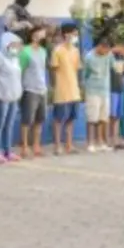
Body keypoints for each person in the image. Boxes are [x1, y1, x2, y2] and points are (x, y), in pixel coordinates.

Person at [0, 32, 23, 163]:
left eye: (18, 45)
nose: (17, 48)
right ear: (6, 44)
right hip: (1, 96)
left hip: (13, 97)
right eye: (14, 45)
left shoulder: (15, 58)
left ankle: (8, 151)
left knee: (9, 125)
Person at [49, 24, 83, 154]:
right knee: (58, 119)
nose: (75, 36)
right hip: (61, 91)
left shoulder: (76, 51)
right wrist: (54, 87)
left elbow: (77, 69)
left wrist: (79, 86)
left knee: (71, 119)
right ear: (66, 34)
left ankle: (69, 145)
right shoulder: (57, 50)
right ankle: (57, 146)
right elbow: (53, 69)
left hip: (74, 91)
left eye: (76, 34)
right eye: (74, 33)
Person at [18, 26, 49, 158]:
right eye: (40, 33)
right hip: (29, 89)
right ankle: (24, 146)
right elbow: (20, 70)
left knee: (39, 119)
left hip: (42, 89)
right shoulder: (25, 51)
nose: (43, 35)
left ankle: (36, 145)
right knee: (27, 120)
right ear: (33, 35)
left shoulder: (43, 51)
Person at [83, 38, 113, 152]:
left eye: (108, 50)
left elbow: (114, 66)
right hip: (92, 91)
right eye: (105, 50)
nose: (106, 52)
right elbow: (85, 74)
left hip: (105, 91)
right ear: (100, 46)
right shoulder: (89, 57)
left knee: (103, 118)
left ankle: (101, 142)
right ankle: (90, 143)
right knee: (92, 118)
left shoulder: (109, 55)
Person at [107, 41, 124, 148]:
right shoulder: (109, 56)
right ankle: (109, 139)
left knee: (118, 116)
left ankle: (116, 138)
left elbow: (123, 72)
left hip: (120, 88)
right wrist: (112, 51)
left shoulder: (121, 57)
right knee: (112, 115)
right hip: (112, 89)